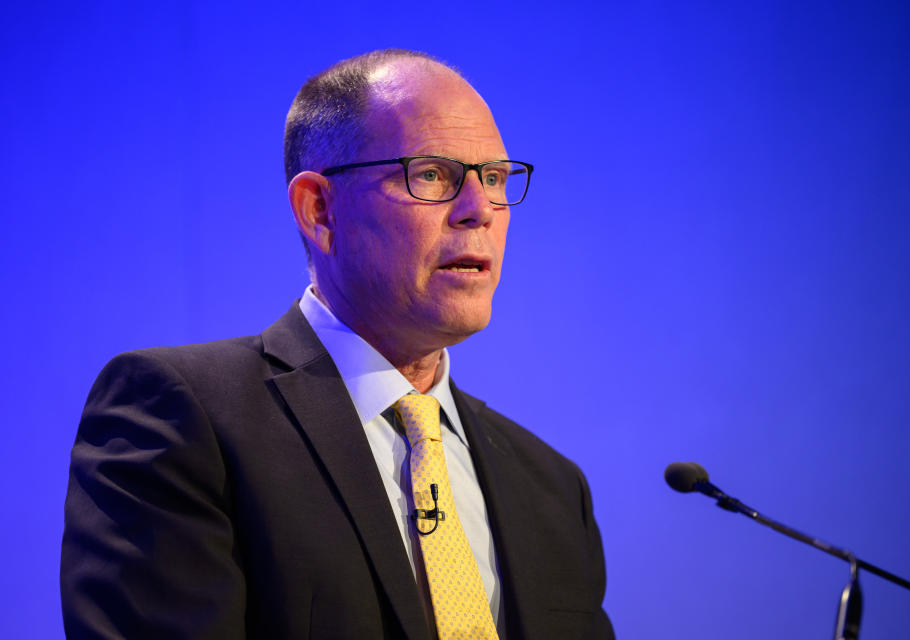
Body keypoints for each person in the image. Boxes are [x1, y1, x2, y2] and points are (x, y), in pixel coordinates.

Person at [61, 49, 614, 639]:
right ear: (319, 208)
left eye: (496, 178)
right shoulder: (184, 417)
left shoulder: (553, 488)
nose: (480, 210)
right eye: (432, 174)